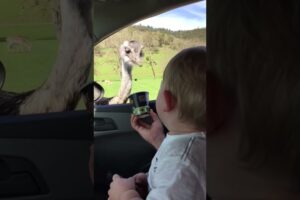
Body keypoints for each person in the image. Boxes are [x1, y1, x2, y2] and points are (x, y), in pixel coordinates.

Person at [107, 46, 206, 200]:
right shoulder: (197, 146)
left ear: (167, 100)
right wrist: (152, 179)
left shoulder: (180, 166)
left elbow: (179, 170)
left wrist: (124, 195)